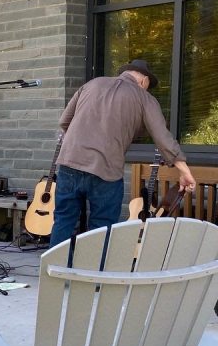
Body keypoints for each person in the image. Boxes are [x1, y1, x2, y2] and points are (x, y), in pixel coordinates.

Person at [49, 59, 196, 247]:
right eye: (148, 86)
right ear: (144, 81)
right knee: (101, 227)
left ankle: (53, 272)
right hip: (106, 170)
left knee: (63, 220)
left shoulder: (92, 84)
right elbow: (162, 137)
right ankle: (94, 275)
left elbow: (64, 121)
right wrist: (184, 170)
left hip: (70, 163)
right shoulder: (144, 98)